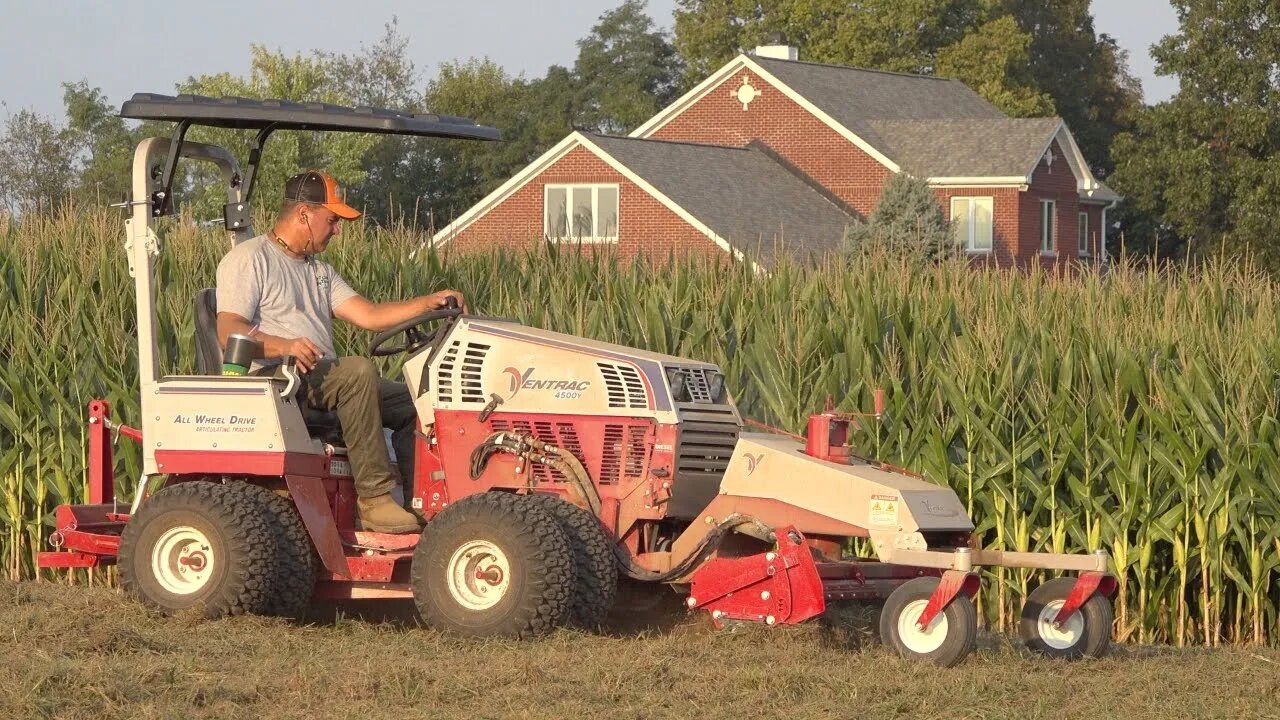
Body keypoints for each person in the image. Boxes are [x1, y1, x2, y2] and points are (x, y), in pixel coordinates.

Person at [215, 170, 462, 534]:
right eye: (331, 220)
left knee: (413, 402)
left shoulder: (319, 272)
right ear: (303, 214)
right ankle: (375, 501)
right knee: (358, 372)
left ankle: (420, 503)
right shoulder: (250, 259)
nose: (337, 230)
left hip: (317, 379)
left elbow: (371, 315)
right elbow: (228, 330)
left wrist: (431, 302)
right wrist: (283, 345)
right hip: (273, 382)